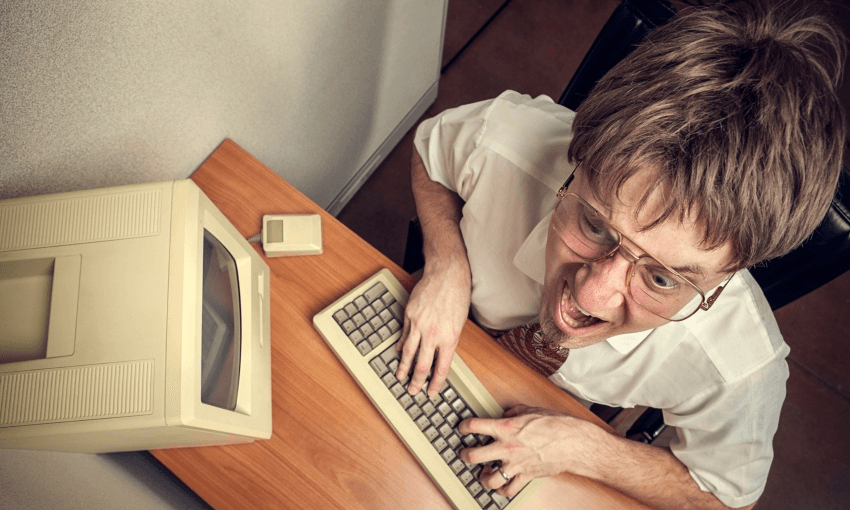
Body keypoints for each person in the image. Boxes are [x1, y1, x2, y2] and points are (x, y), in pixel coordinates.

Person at [395, 2, 847, 509]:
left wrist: (588, 449)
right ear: (578, 161)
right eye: (594, 224)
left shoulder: (738, 368)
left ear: (722, 282)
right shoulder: (505, 140)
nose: (589, 297)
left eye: (662, 279)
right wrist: (447, 261)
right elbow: (429, 152)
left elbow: (722, 499)